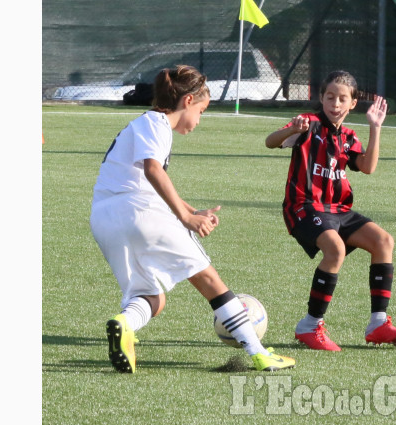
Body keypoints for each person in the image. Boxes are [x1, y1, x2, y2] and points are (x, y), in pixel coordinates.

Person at [90, 65, 295, 372]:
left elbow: (141, 182)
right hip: (137, 211)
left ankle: (125, 323)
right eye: (201, 110)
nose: (199, 119)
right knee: (209, 280)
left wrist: (189, 209)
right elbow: (152, 171)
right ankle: (258, 352)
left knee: (151, 297)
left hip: (105, 219)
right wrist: (185, 217)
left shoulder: (142, 125)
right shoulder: (157, 122)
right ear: (187, 101)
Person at [264, 70, 396, 351]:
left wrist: (376, 127)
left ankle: (378, 324)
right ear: (321, 98)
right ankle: (309, 325)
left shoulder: (348, 136)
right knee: (336, 249)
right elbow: (270, 141)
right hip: (303, 206)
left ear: (352, 103)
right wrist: (292, 130)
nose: (335, 103)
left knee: (384, 241)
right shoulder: (308, 124)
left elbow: (367, 167)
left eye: (342, 98)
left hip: (338, 209)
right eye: (330, 96)